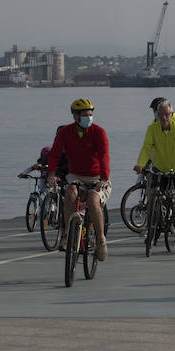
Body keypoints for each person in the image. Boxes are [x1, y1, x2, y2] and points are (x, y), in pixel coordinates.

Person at [47, 98, 112, 260]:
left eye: (91, 115)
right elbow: (54, 154)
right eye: (85, 115)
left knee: (92, 198)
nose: (89, 118)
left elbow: (104, 156)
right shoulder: (64, 132)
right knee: (70, 193)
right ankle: (68, 234)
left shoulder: (99, 132)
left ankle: (101, 239)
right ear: (75, 117)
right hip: (76, 175)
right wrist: (51, 174)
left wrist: (104, 178)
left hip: (98, 176)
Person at [135, 98, 175, 252]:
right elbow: (146, 147)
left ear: (172, 115)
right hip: (160, 168)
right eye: (160, 114)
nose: (163, 118)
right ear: (157, 115)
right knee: (152, 195)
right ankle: (152, 229)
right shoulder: (152, 129)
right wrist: (141, 164)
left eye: (166, 114)